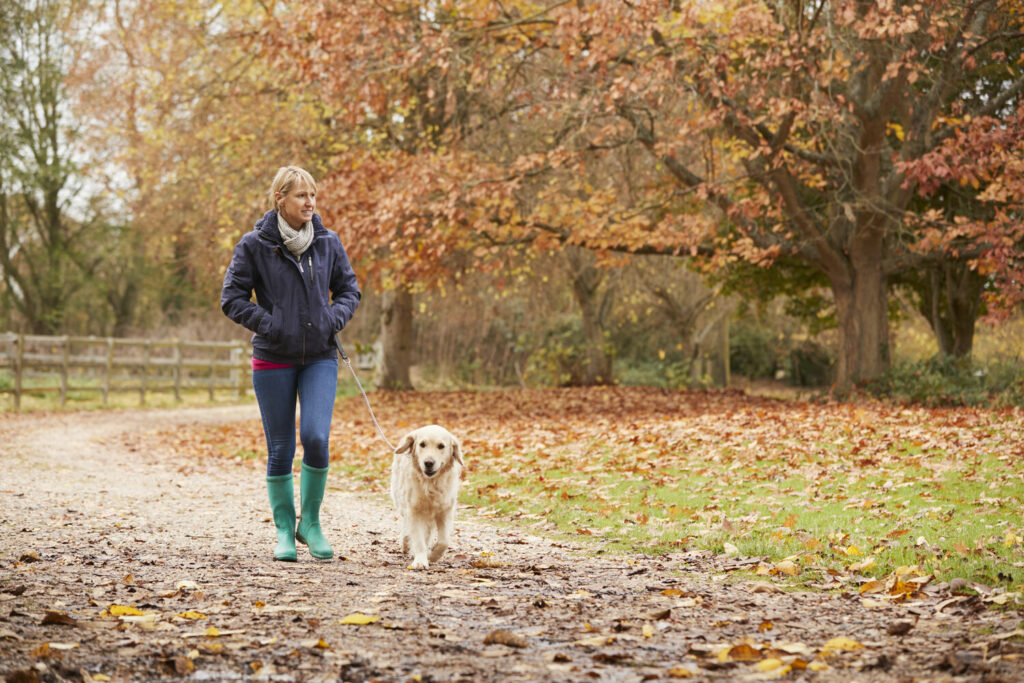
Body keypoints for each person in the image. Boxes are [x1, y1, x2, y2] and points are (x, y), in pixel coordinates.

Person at [221, 166, 361, 561]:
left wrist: (333, 319)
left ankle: (311, 523)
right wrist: (271, 324)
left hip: (319, 356)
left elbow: (350, 290)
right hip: (272, 359)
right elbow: (231, 299)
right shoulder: (253, 245)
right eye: (301, 196)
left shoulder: (328, 243)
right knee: (280, 447)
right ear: (280, 199)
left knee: (316, 437)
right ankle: (284, 530)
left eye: (313, 195)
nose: (310, 203)